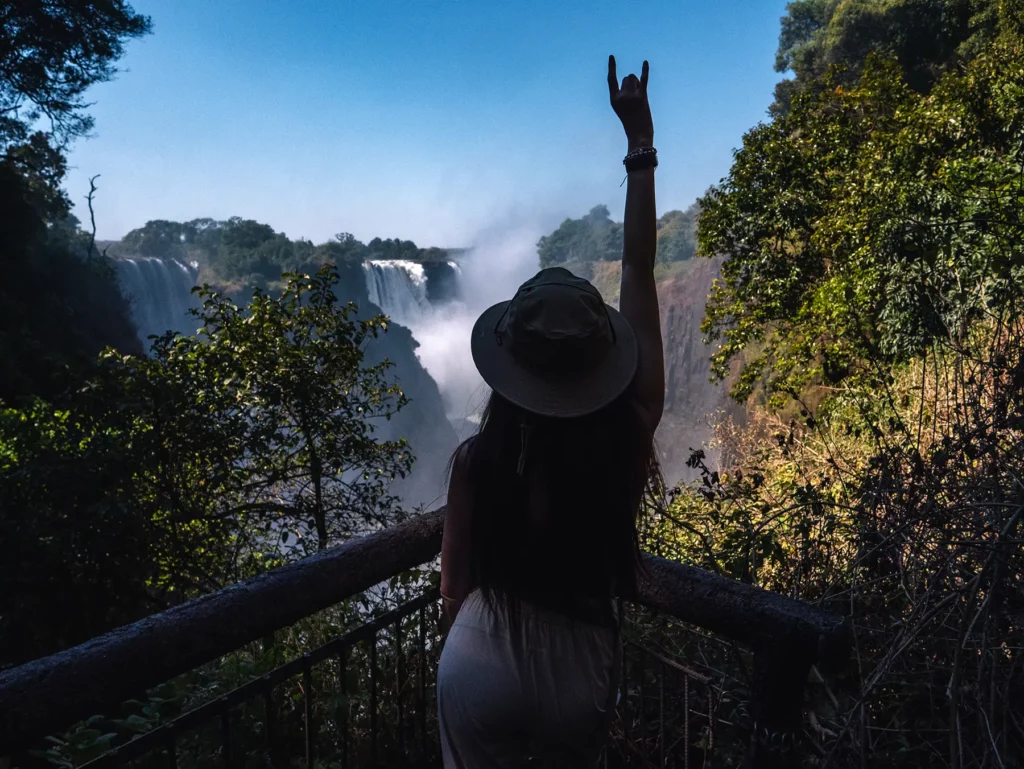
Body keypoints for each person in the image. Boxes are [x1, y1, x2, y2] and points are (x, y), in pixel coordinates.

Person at [436, 55, 664, 768]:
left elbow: (451, 593)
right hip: (579, 665)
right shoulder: (628, 438)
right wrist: (639, 146)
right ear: (603, 363)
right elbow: (637, 271)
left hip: (478, 656)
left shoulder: (479, 459)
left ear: (510, 367)